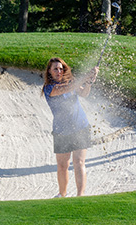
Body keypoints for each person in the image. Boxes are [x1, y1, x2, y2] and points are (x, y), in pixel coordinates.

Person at [42, 57, 99, 197]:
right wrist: (85, 77)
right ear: (49, 71)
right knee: (62, 166)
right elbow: (66, 88)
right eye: (55, 69)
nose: (59, 71)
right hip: (61, 131)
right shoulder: (49, 88)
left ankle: (80, 196)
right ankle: (62, 195)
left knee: (79, 162)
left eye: (61, 68)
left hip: (80, 126)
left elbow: (84, 93)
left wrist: (89, 82)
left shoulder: (70, 82)